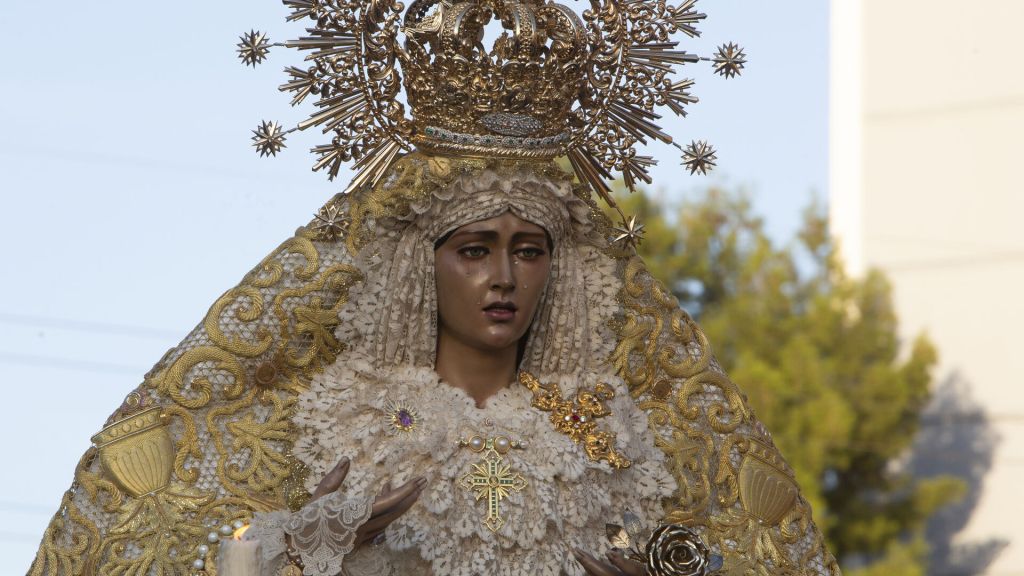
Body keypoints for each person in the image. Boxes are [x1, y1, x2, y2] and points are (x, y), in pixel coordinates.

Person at [30, 1, 840, 575]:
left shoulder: (613, 431)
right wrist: (312, 556)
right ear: (424, 262)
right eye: (474, 249)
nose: (502, 277)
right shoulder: (338, 422)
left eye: (529, 251)